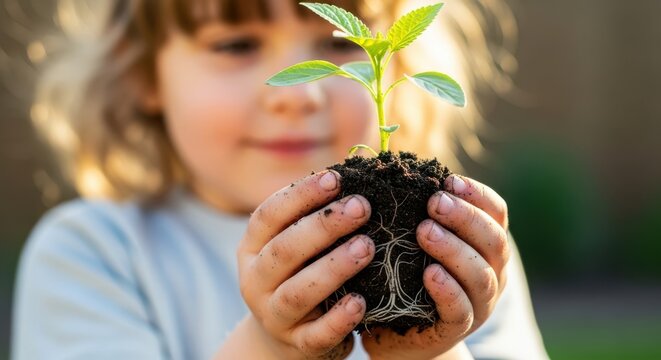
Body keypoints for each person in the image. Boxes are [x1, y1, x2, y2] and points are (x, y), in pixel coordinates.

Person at [13, 0, 548, 359]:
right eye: (236, 44)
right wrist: (276, 345)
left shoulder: (457, 251)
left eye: (341, 46)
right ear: (144, 76)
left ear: (399, 65)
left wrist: (436, 348)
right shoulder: (95, 253)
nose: (298, 94)